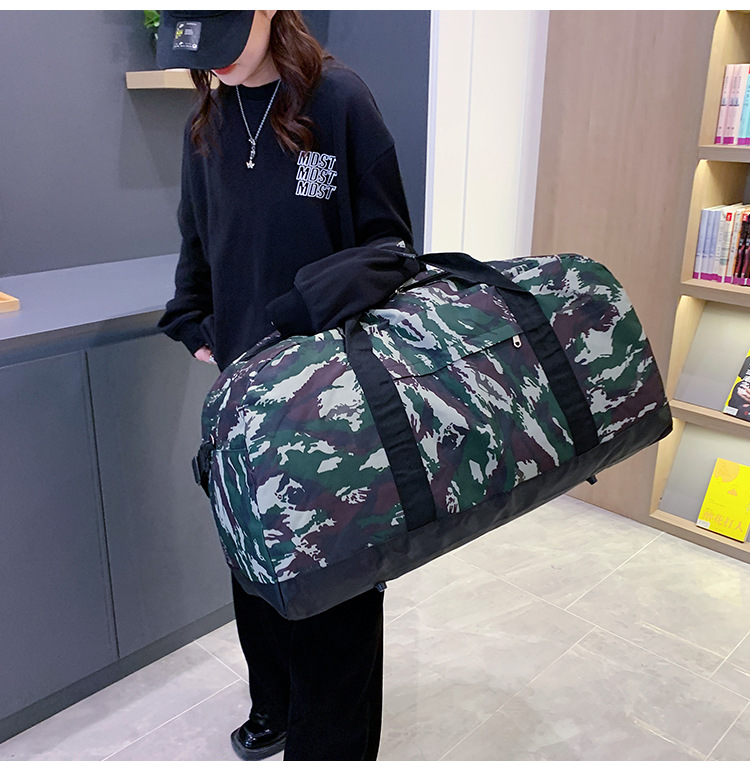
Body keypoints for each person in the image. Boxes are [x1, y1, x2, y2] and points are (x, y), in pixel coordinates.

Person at [155, 10, 418, 762]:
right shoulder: (206, 124)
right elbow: (198, 243)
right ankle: (273, 703)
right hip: (245, 396)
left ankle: (329, 745)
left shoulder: (341, 101)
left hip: (334, 399)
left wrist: (302, 313)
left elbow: (389, 248)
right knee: (254, 563)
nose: (212, 64)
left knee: (336, 586)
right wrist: (197, 324)